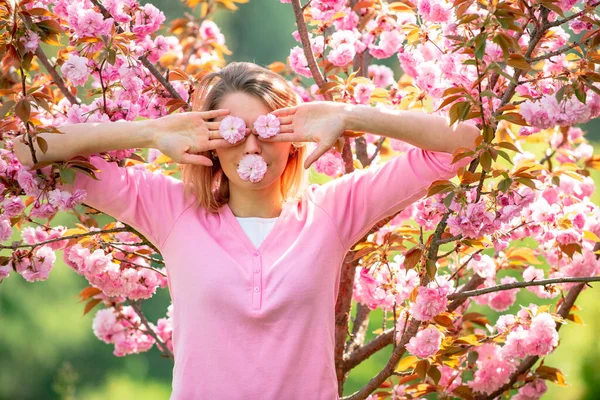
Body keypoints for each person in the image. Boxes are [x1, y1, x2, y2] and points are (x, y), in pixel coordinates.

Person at [13, 61, 479, 399]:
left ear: (293, 137)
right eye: (235, 131)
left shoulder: (333, 212)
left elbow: (465, 143)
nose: (252, 146)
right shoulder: (172, 210)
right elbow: (30, 150)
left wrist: (350, 116)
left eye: (269, 129)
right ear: (212, 143)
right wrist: (152, 131)